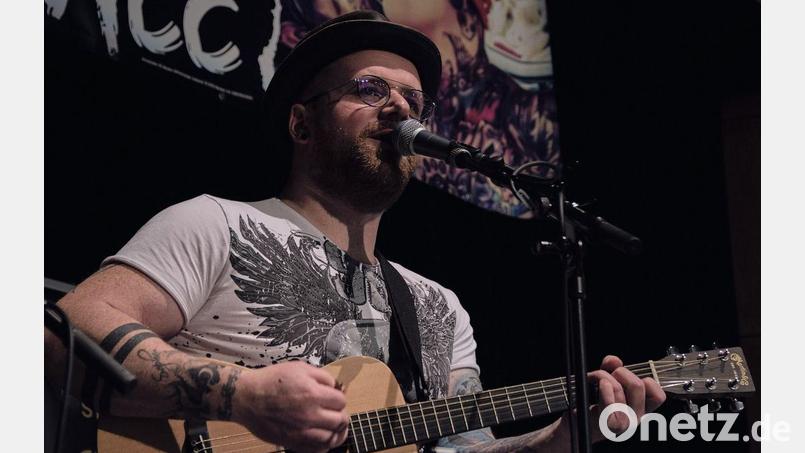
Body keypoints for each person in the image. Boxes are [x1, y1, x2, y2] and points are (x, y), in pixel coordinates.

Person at [44, 10, 665, 453]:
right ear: (301, 125)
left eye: (414, 100)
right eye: (369, 89)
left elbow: (464, 451)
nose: (399, 109)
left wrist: (562, 436)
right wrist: (247, 396)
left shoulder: (438, 308)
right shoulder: (216, 223)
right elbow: (63, 336)